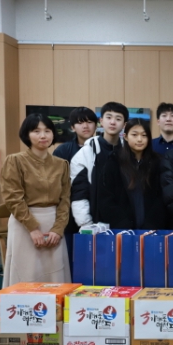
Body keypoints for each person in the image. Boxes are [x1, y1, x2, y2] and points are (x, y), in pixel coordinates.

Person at [1, 114, 71, 286]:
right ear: (27, 134)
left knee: (55, 276)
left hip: (53, 224)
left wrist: (58, 229)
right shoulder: (15, 160)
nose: (43, 136)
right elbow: (13, 198)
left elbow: (65, 200)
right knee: (26, 274)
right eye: (36, 131)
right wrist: (33, 228)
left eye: (47, 131)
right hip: (24, 223)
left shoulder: (62, 164)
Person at [53, 106, 98, 273]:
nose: (85, 126)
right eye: (80, 123)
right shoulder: (63, 150)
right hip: (70, 212)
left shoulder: (104, 148)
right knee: (72, 257)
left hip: (98, 208)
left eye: (89, 122)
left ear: (96, 125)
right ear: (72, 127)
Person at [97, 119, 166, 229]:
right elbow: (106, 197)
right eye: (134, 135)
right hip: (122, 228)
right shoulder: (114, 160)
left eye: (144, 135)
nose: (139, 139)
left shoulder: (157, 161)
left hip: (152, 229)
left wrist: (151, 224)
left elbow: (163, 197)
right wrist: (122, 223)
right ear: (125, 137)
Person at [70, 101, 128, 228]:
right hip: (96, 223)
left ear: (124, 124)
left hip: (126, 222)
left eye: (118, 119)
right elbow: (79, 192)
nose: (113, 122)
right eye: (109, 117)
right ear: (101, 121)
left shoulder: (129, 152)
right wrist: (86, 224)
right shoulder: (86, 153)